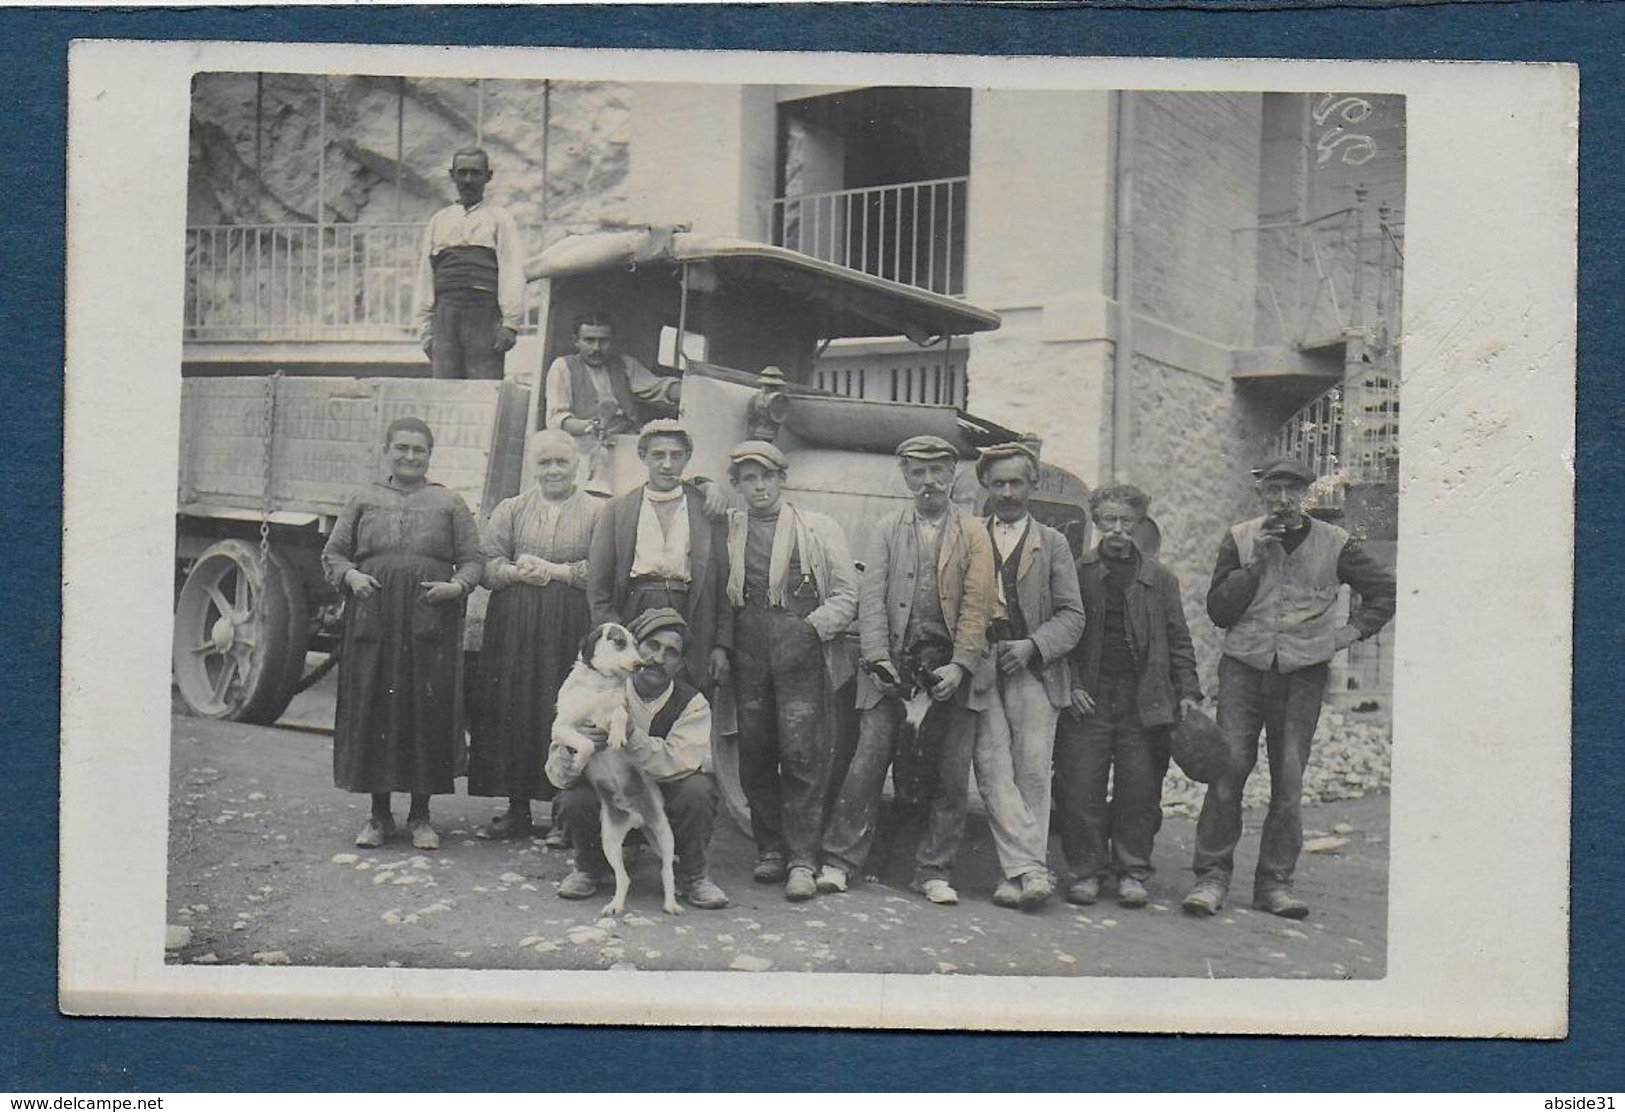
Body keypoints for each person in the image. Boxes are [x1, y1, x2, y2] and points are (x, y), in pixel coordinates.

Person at [1185, 457, 1396, 919]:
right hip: (1243, 668)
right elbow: (1219, 611)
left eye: (1292, 492)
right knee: (1228, 770)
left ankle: (1274, 884)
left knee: (1289, 778)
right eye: (1274, 491)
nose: (1282, 501)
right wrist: (1255, 566)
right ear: (1261, 494)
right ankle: (1211, 877)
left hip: (1302, 674)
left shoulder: (1336, 543)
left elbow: (1385, 592)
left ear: (1306, 496)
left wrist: (1345, 635)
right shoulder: (1240, 538)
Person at [817, 435, 996, 906]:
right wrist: (876, 658)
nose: (928, 482)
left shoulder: (974, 534)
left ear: (953, 475)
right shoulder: (887, 529)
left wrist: (960, 666)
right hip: (892, 671)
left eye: (937, 471)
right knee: (867, 763)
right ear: (905, 477)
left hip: (950, 675)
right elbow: (871, 599)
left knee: (952, 773)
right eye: (917, 472)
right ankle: (839, 861)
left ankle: (933, 870)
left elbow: (977, 607)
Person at [320, 416, 483, 850]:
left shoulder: (449, 502)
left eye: (419, 450)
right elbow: (334, 554)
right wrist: (351, 577)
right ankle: (377, 816)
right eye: (403, 448)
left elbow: (473, 561)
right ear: (387, 451)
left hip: (429, 621)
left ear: (430, 456)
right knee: (374, 706)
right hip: (374, 618)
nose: (411, 456)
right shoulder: (363, 498)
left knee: (424, 711)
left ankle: (421, 816)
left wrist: (456, 586)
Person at [722, 440, 859, 901]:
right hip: (748, 649)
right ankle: (770, 849)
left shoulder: (817, 528)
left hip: (799, 650)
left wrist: (811, 628)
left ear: (782, 479)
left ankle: (803, 859)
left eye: (767, 476)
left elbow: (845, 594)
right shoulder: (730, 529)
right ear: (737, 485)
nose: (758, 486)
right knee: (755, 752)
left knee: (803, 754)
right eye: (748, 478)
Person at [1055, 484, 1201, 909]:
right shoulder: (1076, 572)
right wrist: (1072, 685)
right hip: (1089, 698)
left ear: (1140, 525)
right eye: (1109, 521)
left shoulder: (1161, 578)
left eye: (1127, 522)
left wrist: (1188, 691)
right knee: (1080, 788)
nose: (1118, 530)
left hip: (1145, 700)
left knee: (1140, 790)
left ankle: (1132, 870)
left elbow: (1179, 639)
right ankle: (1086, 871)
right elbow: (1059, 635)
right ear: (1096, 522)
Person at [545, 608, 730, 910]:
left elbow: (677, 762)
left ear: (681, 664)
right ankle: (588, 867)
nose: (658, 657)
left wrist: (631, 735)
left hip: (662, 799)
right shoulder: (596, 687)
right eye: (651, 646)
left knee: (699, 790)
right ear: (634, 646)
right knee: (573, 799)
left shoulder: (693, 704)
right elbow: (556, 772)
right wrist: (573, 749)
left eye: (671, 653)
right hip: (610, 796)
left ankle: (694, 875)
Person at [467, 429, 603, 841]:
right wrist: (515, 571)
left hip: (569, 622)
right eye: (545, 462)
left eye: (562, 461)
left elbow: (601, 569)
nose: (554, 470)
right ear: (534, 466)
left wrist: (557, 572)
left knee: (564, 708)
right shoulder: (512, 509)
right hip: (515, 623)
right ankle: (516, 808)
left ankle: (564, 813)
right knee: (515, 705)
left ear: (577, 464)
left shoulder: (597, 512)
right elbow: (486, 565)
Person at [969, 443, 1086, 910]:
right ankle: (1027, 870)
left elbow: (1072, 616)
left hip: (1035, 668)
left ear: (1033, 486)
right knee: (991, 766)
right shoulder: (969, 536)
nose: (1008, 492)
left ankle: (1016, 873)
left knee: (1033, 770)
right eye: (998, 483)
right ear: (986, 487)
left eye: (1017, 482)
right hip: (980, 666)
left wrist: (1032, 645)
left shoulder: (1053, 543)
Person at [585, 420, 732, 694]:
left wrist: (721, 645)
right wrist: (617, 638)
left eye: (676, 456)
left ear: (687, 458)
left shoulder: (707, 510)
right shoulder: (618, 510)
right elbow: (598, 588)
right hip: (635, 610)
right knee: (629, 697)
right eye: (658, 455)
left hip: (692, 612)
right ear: (643, 457)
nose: (667, 465)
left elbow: (723, 586)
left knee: (686, 699)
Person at [414, 148, 526, 381]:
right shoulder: (439, 220)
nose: (468, 180)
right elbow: (426, 274)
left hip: (484, 312)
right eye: (462, 172)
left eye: (475, 173)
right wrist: (424, 329)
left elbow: (511, 270)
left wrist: (511, 324)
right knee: (445, 387)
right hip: (445, 314)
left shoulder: (500, 218)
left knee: (485, 388)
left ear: (488, 176)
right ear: (452, 174)